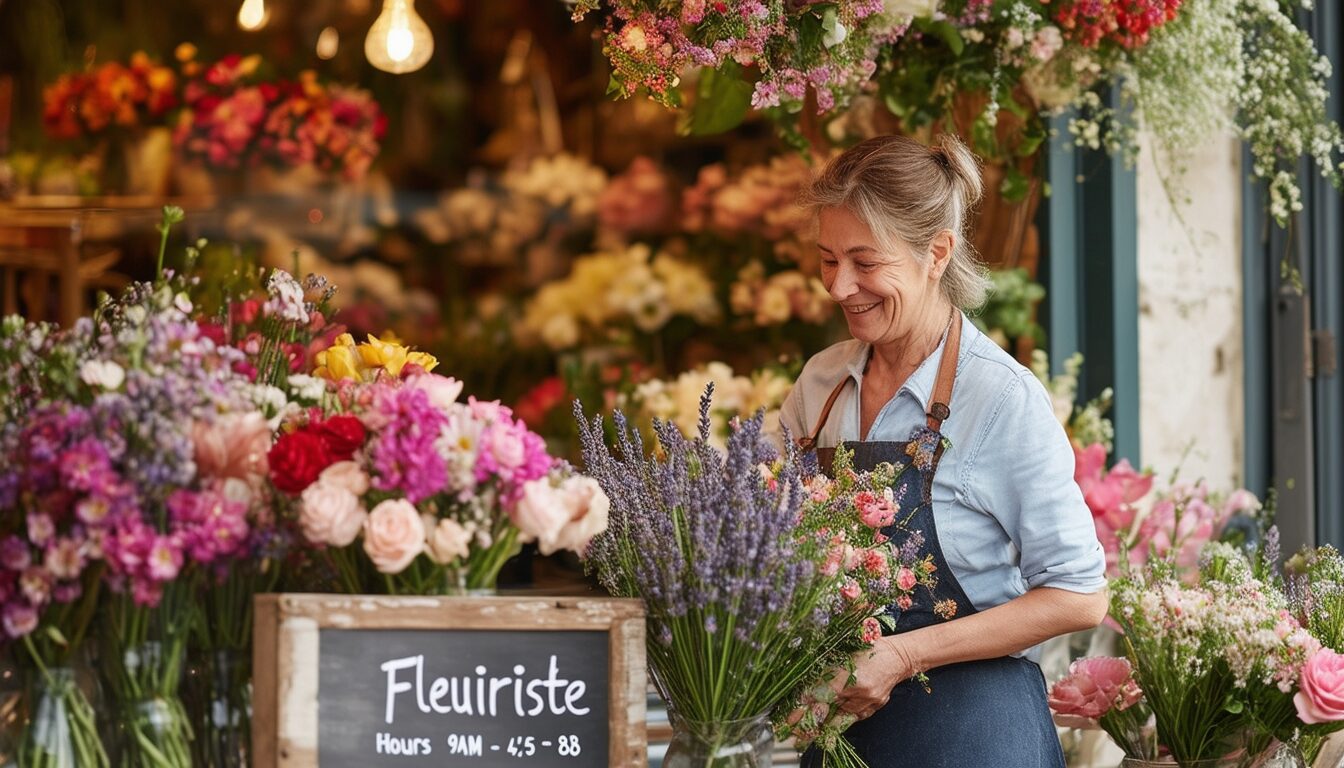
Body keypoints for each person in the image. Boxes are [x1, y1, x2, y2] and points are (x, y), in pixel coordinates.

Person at [781, 134, 1107, 767]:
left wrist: (902, 655)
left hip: (972, 731)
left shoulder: (999, 396)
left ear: (937, 253)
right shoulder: (821, 383)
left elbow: (1078, 593)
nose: (839, 285)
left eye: (864, 262)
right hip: (844, 726)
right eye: (827, 259)